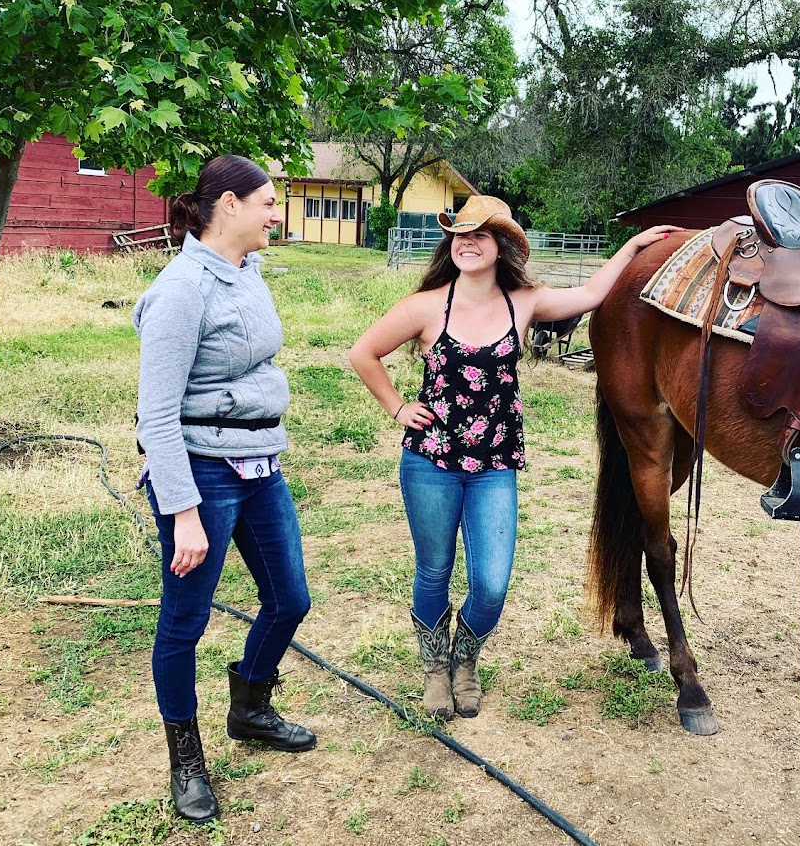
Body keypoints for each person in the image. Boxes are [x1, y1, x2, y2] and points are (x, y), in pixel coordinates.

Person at [349, 196, 680, 720]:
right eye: (460, 234)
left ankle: (465, 656)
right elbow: (362, 352)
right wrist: (397, 407)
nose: (468, 242)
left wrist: (633, 245)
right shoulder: (426, 306)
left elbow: (593, 295)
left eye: (480, 234)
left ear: (502, 246)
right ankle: (438, 668)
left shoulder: (522, 302)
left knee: (492, 584)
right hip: (430, 462)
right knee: (433, 571)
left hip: (495, 466)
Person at [134, 155, 315, 825]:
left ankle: (250, 707)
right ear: (229, 205)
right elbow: (156, 414)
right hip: (202, 473)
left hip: (259, 461)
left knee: (289, 597)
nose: (277, 213)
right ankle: (186, 759)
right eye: (269, 202)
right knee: (185, 620)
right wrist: (182, 511)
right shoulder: (182, 290)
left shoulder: (247, 272)